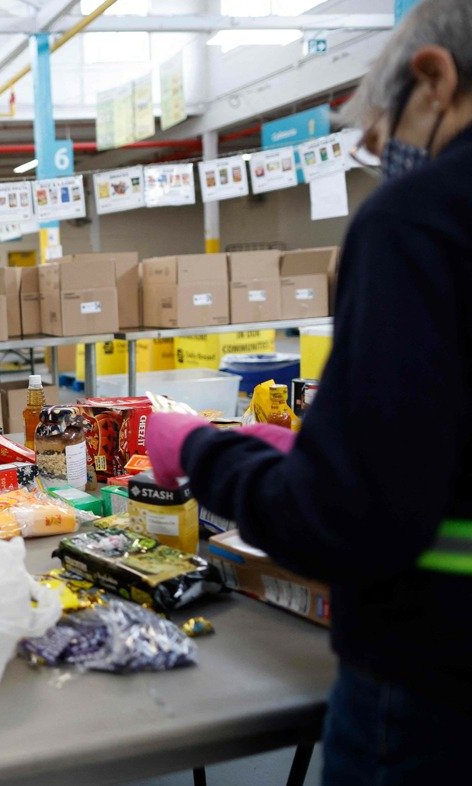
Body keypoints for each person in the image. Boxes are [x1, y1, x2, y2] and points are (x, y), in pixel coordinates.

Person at [145, 2, 472, 782]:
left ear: (432, 79)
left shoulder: (420, 220)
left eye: (380, 141)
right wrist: (325, 452)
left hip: (435, 686)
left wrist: (203, 451)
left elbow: (344, 521)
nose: (385, 163)